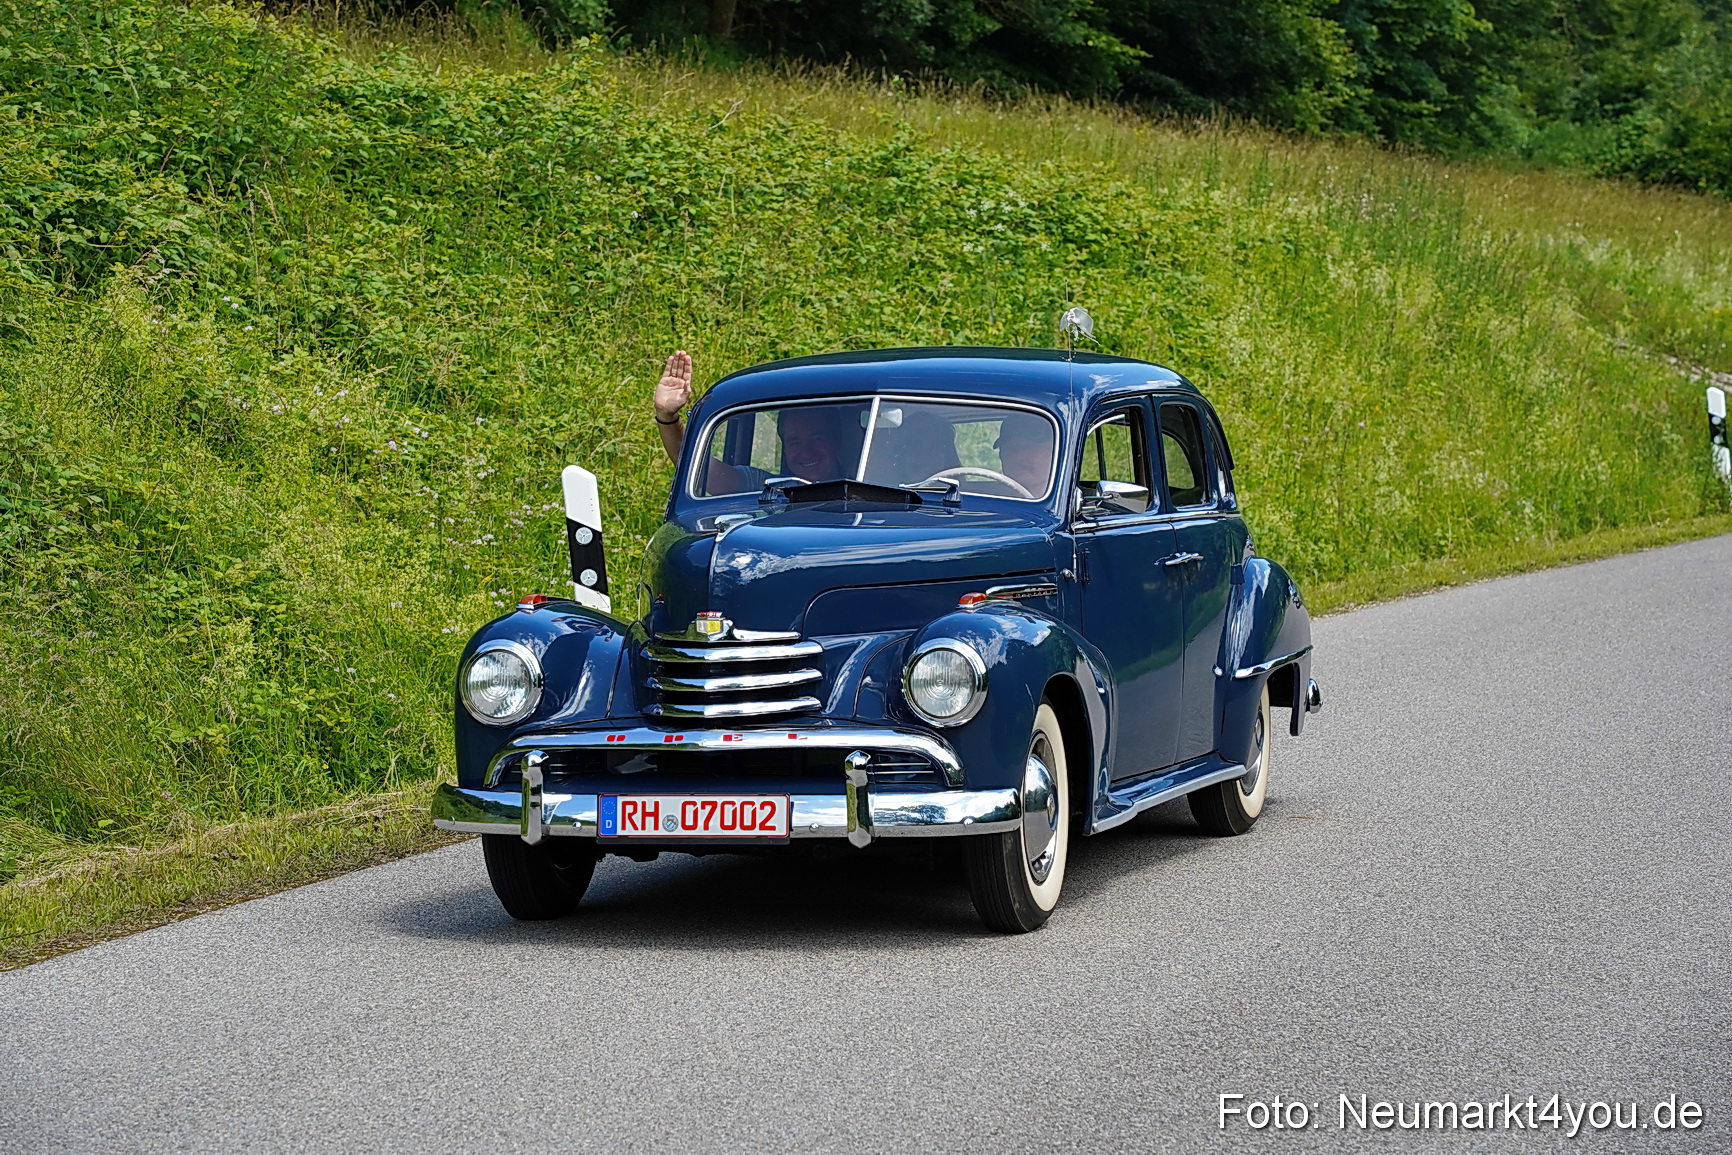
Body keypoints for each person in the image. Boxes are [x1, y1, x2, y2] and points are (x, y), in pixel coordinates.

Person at [653, 350, 845, 493]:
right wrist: (667, 417)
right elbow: (698, 468)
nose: (806, 452)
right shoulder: (767, 489)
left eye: (817, 439)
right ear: (784, 447)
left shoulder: (870, 487)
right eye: (795, 442)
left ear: (836, 440)